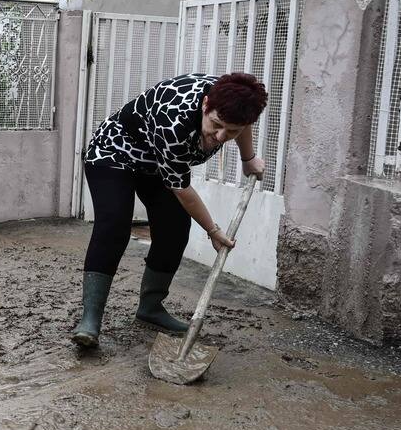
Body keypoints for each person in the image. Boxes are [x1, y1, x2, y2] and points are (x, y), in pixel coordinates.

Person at [72, 72, 268, 348]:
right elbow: (183, 191)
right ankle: (90, 320)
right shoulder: (174, 121)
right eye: (216, 125)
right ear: (205, 105)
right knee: (114, 226)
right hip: (114, 153)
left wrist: (248, 159)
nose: (221, 137)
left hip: (156, 164)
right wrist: (213, 230)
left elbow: (242, 123)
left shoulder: (235, 102)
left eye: (232, 131)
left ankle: (150, 308)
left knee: (175, 229)